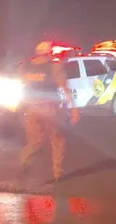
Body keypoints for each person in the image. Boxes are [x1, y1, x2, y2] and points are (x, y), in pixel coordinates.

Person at [19, 41, 79, 183]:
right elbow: (64, 86)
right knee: (57, 140)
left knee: (33, 141)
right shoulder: (54, 66)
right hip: (49, 109)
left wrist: (21, 106)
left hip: (31, 109)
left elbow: (22, 85)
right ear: (49, 53)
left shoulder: (25, 66)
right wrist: (74, 108)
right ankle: (57, 173)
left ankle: (24, 163)